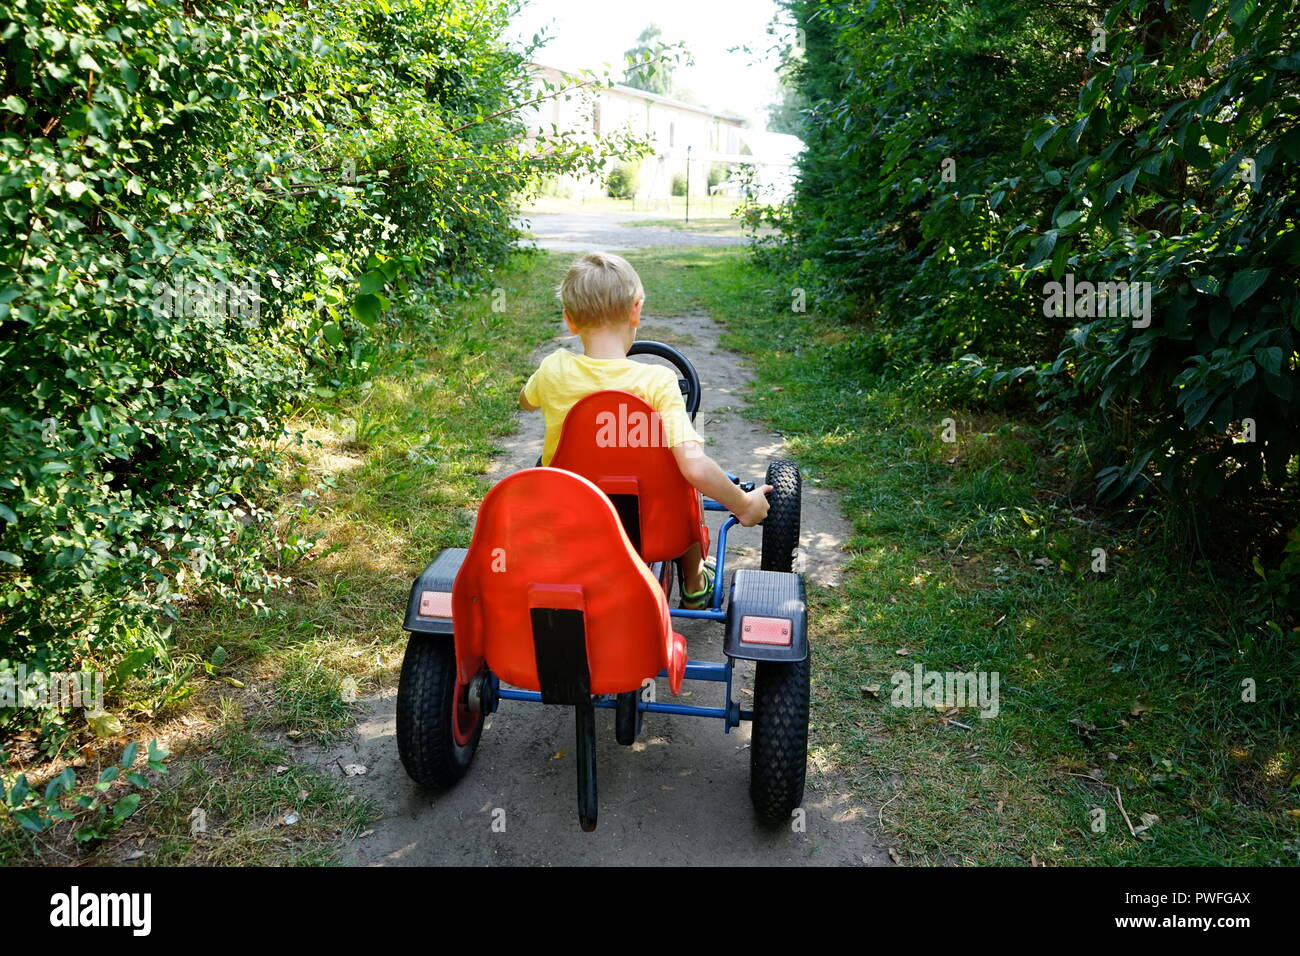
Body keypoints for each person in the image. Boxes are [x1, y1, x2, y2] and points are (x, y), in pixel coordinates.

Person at [520, 251, 770, 609]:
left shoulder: (552, 371)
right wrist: (744, 503)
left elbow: (525, 402)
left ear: (570, 321)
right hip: (657, 531)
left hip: (570, 523)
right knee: (680, 481)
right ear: (636, 309)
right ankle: (695, 582)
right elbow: (695, 468)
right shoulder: (658, 381)